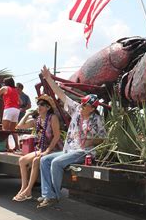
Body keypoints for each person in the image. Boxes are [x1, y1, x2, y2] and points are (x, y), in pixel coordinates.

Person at [37, 65, 107, 208]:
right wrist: (48, 78)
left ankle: (54, 196)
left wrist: (91, 141)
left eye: (85, 105)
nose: (81, 107)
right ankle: (47, 194)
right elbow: (61, 94)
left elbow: (104, 139)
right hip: (69, 150)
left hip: (83, 152)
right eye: (81, 104)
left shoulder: (97, 121)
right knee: (44, 160)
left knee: (56, 163)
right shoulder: (76, 110)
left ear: (93, 108)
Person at [12, 94, 63, 202]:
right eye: (38, 104)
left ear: (48, 107)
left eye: (42, 105)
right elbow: (19, 126)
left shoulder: (52, 118)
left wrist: (48, 151)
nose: (39, 107)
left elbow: (57, 136)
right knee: (22, 160)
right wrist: (27, 114)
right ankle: (23, 187)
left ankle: (28, 190)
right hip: (42, 149)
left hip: (55, 149)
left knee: (36, 161)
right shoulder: (38, 120)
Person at [0, 77, 20, 148]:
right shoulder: (16, 90)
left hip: (9, 108)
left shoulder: (4, 88)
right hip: (16, 109)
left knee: (4, 129)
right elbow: (21, 102)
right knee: (13, 129)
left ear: (5, 83)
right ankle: (17, 146)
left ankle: (6, 146)